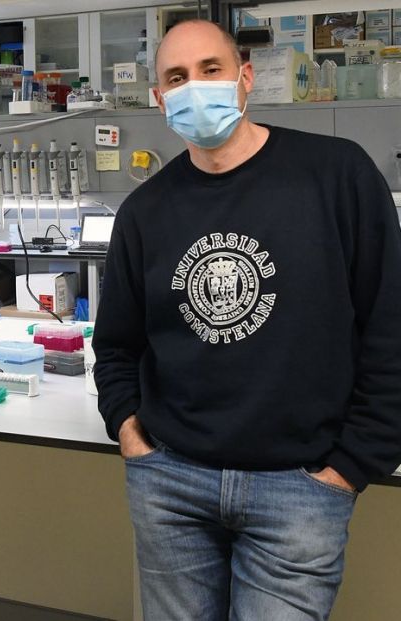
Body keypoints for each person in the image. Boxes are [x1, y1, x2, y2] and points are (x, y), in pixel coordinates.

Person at [93, 19, 401, 621]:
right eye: (176, 78)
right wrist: (133, 439)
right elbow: (117, 347)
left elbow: (389, 326)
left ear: (246, 78)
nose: (194, 87)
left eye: (211, 69)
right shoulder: (143, 212)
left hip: (302, 488)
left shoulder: (338, 175)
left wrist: (350, 465)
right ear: (159, 100)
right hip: (171, 483)